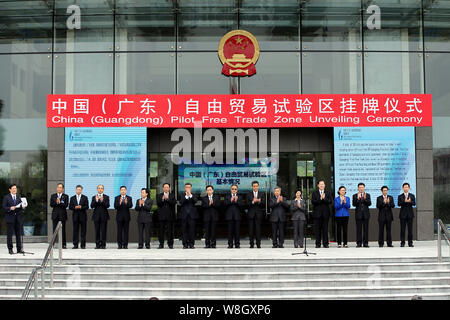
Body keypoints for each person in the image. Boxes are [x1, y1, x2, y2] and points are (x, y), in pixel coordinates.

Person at [2, 184, 24, 254]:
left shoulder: (18, 197)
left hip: (17, 218)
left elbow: (20, 207)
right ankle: (10, 249)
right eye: (13, 188)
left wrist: (23, 207)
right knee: (10, 235)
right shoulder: (6, 197)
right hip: (10, 218)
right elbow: (4, 207)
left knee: (18, 234)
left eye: (16, 188)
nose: (15, 190)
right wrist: (10, 208)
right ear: (10, 189)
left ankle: (19, 249)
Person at [311, 180, 332, 248]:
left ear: (324, 185)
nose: (322, 185)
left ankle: (325, 244)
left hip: (325, 214)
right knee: (317, 230)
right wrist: (320, 199)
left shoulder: (327, 193)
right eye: (320, 184)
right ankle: (318, 244)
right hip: (317, 214)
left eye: (323, 184)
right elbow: (313, 202)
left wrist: (324, 198)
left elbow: (330, 201)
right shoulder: (315, 193)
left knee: (325, 229)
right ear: (318, 185)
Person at [246, 181, 265, 248]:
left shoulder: (261, 194)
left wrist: (259, 201)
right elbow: (246, 204)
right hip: (251, 214)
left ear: (258, 186)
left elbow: (264, 203)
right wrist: (253, 202)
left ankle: (258, 244)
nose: (255, 187)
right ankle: (251, 244)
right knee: (251, 230)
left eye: (256, 186)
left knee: (258, 230)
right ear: (252, 187)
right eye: (254, 186)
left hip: (258, 214)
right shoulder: (249, 194)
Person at [69, 185, 89, 249]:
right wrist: (75, 207)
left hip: (83, 216)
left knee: (83, 231)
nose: (78, 190)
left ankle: (83, 245)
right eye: (77, 189)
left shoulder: (85, 197)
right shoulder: (72, 198)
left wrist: (81, 207)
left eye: (80, 189)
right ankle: (75, 245)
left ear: (81, 190)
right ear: (75, 190)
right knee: (75, 231)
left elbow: (87, 206)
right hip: (75, 216)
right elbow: (70, 207)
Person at [156, 183, 176, 249]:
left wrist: (168, 199)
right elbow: (158, 204)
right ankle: (161, 244)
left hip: (170, 216)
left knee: (170, 231)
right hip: (161, 216)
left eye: (167, 187)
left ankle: (170, 244)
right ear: (163, 188)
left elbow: (173, 203)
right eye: (165, 187)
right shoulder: (159, 195)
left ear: (169, 188)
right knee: (161, 231)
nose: (166, 188)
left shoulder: (172, 195)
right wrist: (162, 199)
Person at [50, 183, 69, 249]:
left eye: (60, 187)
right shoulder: (53, 196)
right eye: (58, 187)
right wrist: (56, 202)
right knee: (54, 230)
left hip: (62, 215)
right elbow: (51, 204)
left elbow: (66, 205)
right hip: (55, 215)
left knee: (63, 230)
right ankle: (53, 244)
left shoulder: (65, 196)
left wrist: (60, 202)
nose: (59, 188)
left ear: (63, 189)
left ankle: (63, 244)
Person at [179, 182, 198, 249]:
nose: (188, 188)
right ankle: (185, 244)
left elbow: (195, 201)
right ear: (185, 188)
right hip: (184, 215)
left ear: (191, 188)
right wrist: (186, 196)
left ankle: (191, 244)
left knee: (192, 230)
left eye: (189, 187)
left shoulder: (194, 195)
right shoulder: (182, 195)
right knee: (184, 230)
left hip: (192, 216)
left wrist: (190, 195)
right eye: (186, 187)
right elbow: (181, 202)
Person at [352, 182, 371, 248]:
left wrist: (365, 199)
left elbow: (369, 204)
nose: (361, 188)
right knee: (359, 230)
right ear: (358, 188)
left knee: (366, 229)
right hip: (358, 214)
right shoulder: (355, 195)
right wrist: (358, 199)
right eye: (360, 187)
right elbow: (354, 204)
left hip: (366, 214)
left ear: (364, 188)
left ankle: (365, 243)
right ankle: (359, 243)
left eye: (362, 187)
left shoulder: (367, 195)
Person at [91, 184, 110, 249]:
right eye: (99, 188)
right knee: (97, 231)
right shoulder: (94, 197)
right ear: (97, 189)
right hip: (96, 216)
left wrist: (102, 201)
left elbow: (107, 205)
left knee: (103, 231)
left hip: (104, 216)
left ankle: (103, 244)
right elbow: (92, 206)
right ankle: (97, 244)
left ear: (103, 189)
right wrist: (96, 201)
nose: (100, 189)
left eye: (101, 188)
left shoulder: (106, 197)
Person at [224, 184, 243, 249]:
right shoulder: (227, 196)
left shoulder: (239, 197)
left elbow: (242, 206)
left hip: (237, 216)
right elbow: (224, 205)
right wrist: (230, 200)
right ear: (230, 189)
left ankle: (237, 244)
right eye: (232, 189)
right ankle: (230, 244)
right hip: (229, 216)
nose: (234, 190)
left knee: (237, 231)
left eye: (235, 189)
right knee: (230, 231)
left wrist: (237, 201)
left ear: (237, 190)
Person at [398, 182, 416, 247]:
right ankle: (402, 243)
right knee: (402, 229)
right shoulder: (400, 196)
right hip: (402, 215)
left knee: (410, 230)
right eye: (405, 187)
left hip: (410, 214)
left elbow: (414, 203)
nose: (406, 188)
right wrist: (405, 201)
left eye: (407, 187)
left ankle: (410, 243)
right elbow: (399, 204)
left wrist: (410, 201)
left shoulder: (412, 195)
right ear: (403, 188)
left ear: (409, 188)